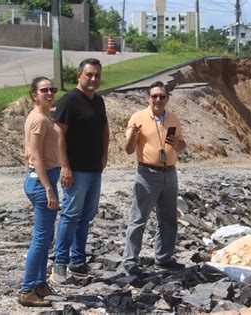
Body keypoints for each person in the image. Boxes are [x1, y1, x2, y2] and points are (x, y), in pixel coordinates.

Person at [50, 58, 109, 284]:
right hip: (76, 170)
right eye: (89, 75)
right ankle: (60, 263)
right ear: (79, 76)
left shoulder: (98, 101)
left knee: (86, 216)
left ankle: (78, 260)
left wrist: (104, 155)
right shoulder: (70, 100)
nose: (93, 79)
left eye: (96, 75)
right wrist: (65, 166)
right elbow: (58, 134)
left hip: (95, 169)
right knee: (71, 215)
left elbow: (104, 128)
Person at [122, 81, 187, 276]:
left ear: (167, 98)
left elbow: (181, 146)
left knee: (168, 219)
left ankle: (164, 258)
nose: (158, 99)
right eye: (154, 96)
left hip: (170, 173)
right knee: (138, 218)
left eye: (162, 96)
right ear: (148, 98)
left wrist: (178, 143)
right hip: (147, 174)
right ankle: (130, 262)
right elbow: (128, 150)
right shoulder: (138, 117)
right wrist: (133, 133)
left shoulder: (173, 119)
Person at [19, 77, 61, 307]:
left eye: (52, 89)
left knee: (46, 238)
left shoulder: (45, 117)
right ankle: (27, 290)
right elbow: (35, 158)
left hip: (47, 178)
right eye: (44, 90)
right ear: (34, 94)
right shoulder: (38, 120)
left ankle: (39, 284)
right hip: (41, 181)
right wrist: (49, 190)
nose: (49, 93)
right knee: (41, 238)